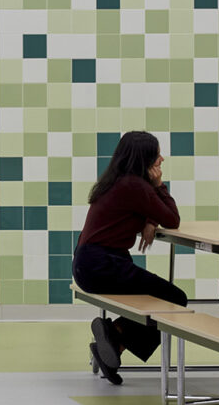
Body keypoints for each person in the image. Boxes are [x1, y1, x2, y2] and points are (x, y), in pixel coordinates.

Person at [73, 131, 185, 385]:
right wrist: (159, 187)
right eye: (157, 155)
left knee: (160, 297)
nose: (162, 160)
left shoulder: (118, 181)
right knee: (175, 298)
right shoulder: (135, 186)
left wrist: (150, 218)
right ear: (143, 159)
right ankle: (116, 334)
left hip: (90, 263)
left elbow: (153, 212)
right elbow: (173, 219)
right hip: (103, 265)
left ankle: (114, 344)